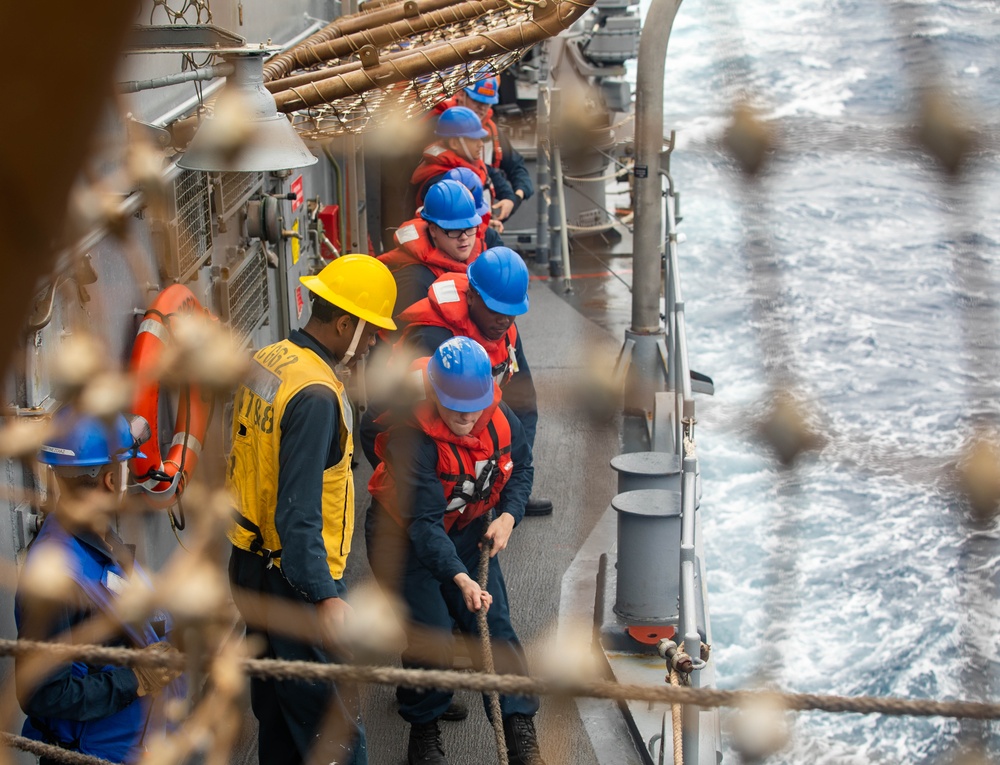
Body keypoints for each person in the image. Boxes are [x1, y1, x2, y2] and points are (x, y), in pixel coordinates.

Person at [226, 253, 397, 765]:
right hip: (294, 579)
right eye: (369, 333)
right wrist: (324, 598)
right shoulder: (317, 395)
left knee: (279, 716)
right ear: (345, 322)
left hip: (248, 564)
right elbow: (297, 512)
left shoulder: (270, 359)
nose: (371, 343)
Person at [367, 337, 547, 765]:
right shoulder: (413, 440)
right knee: (432, 634)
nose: (467, 416)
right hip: (404, 542)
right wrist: (460, 577)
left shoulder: (500, 419)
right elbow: (424, 526)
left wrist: (509, 516)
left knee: (496, 629)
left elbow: (521, 467)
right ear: (433, 395)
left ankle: (519, 729)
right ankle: (424, 733)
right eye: (454, 406)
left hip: (466, 534)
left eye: (474, 406)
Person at [16, 407, 182, 765]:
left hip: (133, 744)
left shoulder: (98, 534)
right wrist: (135, 679)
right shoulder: (56, 575)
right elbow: (41, 693)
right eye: (125, 465)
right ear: (111, 480)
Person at [368, 247, 552, 516]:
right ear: (472, 295)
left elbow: (523, 403)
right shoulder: (435, 341)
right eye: (495, 309)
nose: (504, 319)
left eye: (511, 312)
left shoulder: (504, 328)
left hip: (470, 441)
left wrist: (509, 483)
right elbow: (378, 419)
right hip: (429, 452)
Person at [434, 76, 534, 224]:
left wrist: (513, 199)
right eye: (477, 101)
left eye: (487, 103)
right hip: (449, 223)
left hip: (482, 222)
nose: (482, 107)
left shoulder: (492, 132)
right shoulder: (437, 127)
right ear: (461, 94)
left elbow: (515, 167)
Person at [379, 179, 484, 317]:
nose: (464, 237)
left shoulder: (471, 258)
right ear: (433, 230)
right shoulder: (414, 282)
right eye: (454, 230)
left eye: (470, 228)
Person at [408, 106, 515, 219]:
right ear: (454, 143)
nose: (481, 144)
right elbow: (455, 227)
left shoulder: (472, 163)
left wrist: (509, 198)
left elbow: (492, 174)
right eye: (474, 139)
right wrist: (488, 231)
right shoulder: (442, 182)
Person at [442, 166, 505, 250]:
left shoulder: (490, 237)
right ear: (433, 230)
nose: (463, 237)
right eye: (455, 228)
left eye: (470, 224)